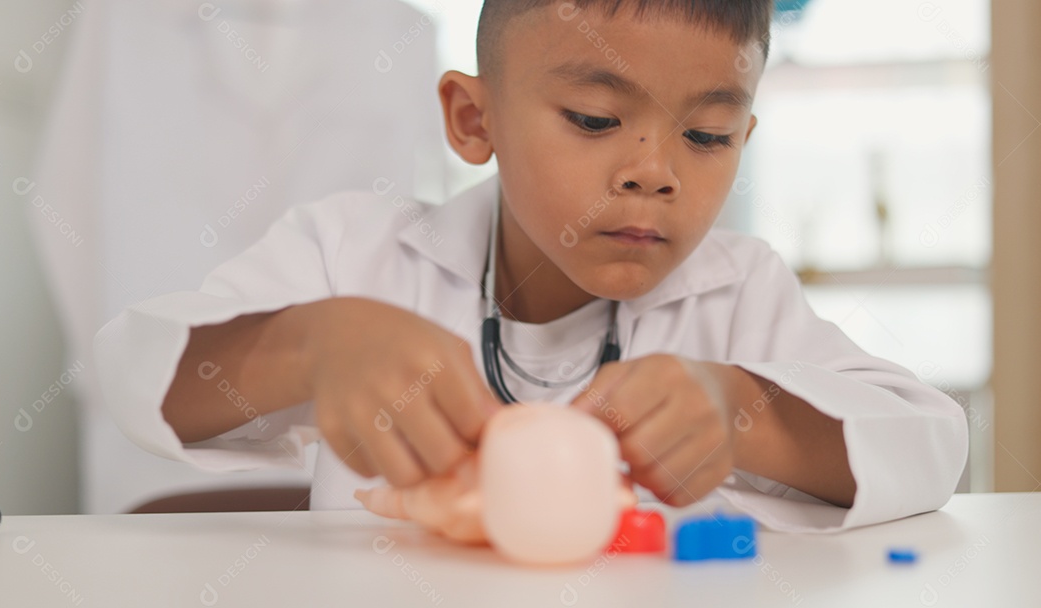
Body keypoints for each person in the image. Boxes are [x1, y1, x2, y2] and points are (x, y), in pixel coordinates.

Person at [95, 0, 967, 532]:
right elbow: (130, 376)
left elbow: (930, 444)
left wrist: (744, 413)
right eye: (594, 118)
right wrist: (307, 351)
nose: (654, 171)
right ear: (475, 120)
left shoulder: (739, 293)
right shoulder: (350, 255)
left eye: (707, 136)